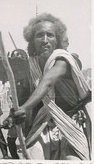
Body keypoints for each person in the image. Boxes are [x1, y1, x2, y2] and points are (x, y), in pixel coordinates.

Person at [9, 13, 91, 160]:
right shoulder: (32, 64)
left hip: (71, 125)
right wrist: (17, 114)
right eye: (40, 35)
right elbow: (28, 99)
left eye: (50, 35)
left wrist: (24, 108)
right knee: (32, 156)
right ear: (32, 40)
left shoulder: (63, 59)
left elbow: (47, 82)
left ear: (57, 39)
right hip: (43, 125)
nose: (45, 40)